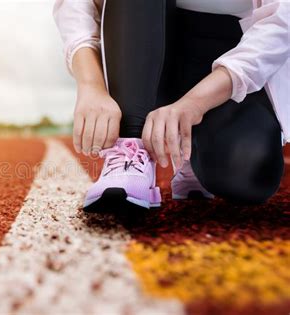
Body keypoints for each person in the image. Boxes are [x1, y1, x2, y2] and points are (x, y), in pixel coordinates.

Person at [53, 0, 289, 209]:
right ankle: (129, 151)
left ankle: (191, 151)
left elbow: (282, 20)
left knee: (246, 175)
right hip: (149, 45)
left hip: (233, 57)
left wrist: (195, 103)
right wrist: (91, 85)